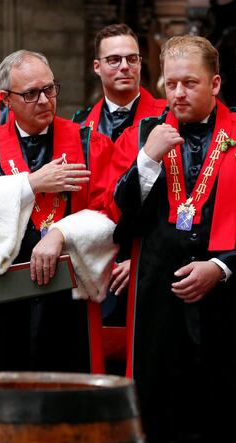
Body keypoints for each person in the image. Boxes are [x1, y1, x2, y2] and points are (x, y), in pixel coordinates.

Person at [111, 35, 236, 443]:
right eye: (171, 83)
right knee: (158, 412)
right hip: (157, 299)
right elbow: (119, 217)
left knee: (220, 416)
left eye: (190, 83)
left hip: (225, 301)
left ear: (215, 84)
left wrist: (222, 268)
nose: (178, 93)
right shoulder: (144, 134)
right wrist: (147, 161)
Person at [0, 50, 117, 373]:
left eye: (49, 89)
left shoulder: (89, 144)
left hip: (69, 292)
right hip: (4, 292)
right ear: (6, 99)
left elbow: (109, 211)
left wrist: (62, 233)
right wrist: (29, 184)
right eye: (31, 93)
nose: (45, 100)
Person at [74, 24, 167, 359]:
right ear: (97, 66)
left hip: (149, 263)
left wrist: (139, 260)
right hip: (93, 267)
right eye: (113, 59)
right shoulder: (79, 125)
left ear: (142, 63)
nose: (124, 67)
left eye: (132, 59)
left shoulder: (168, 119)